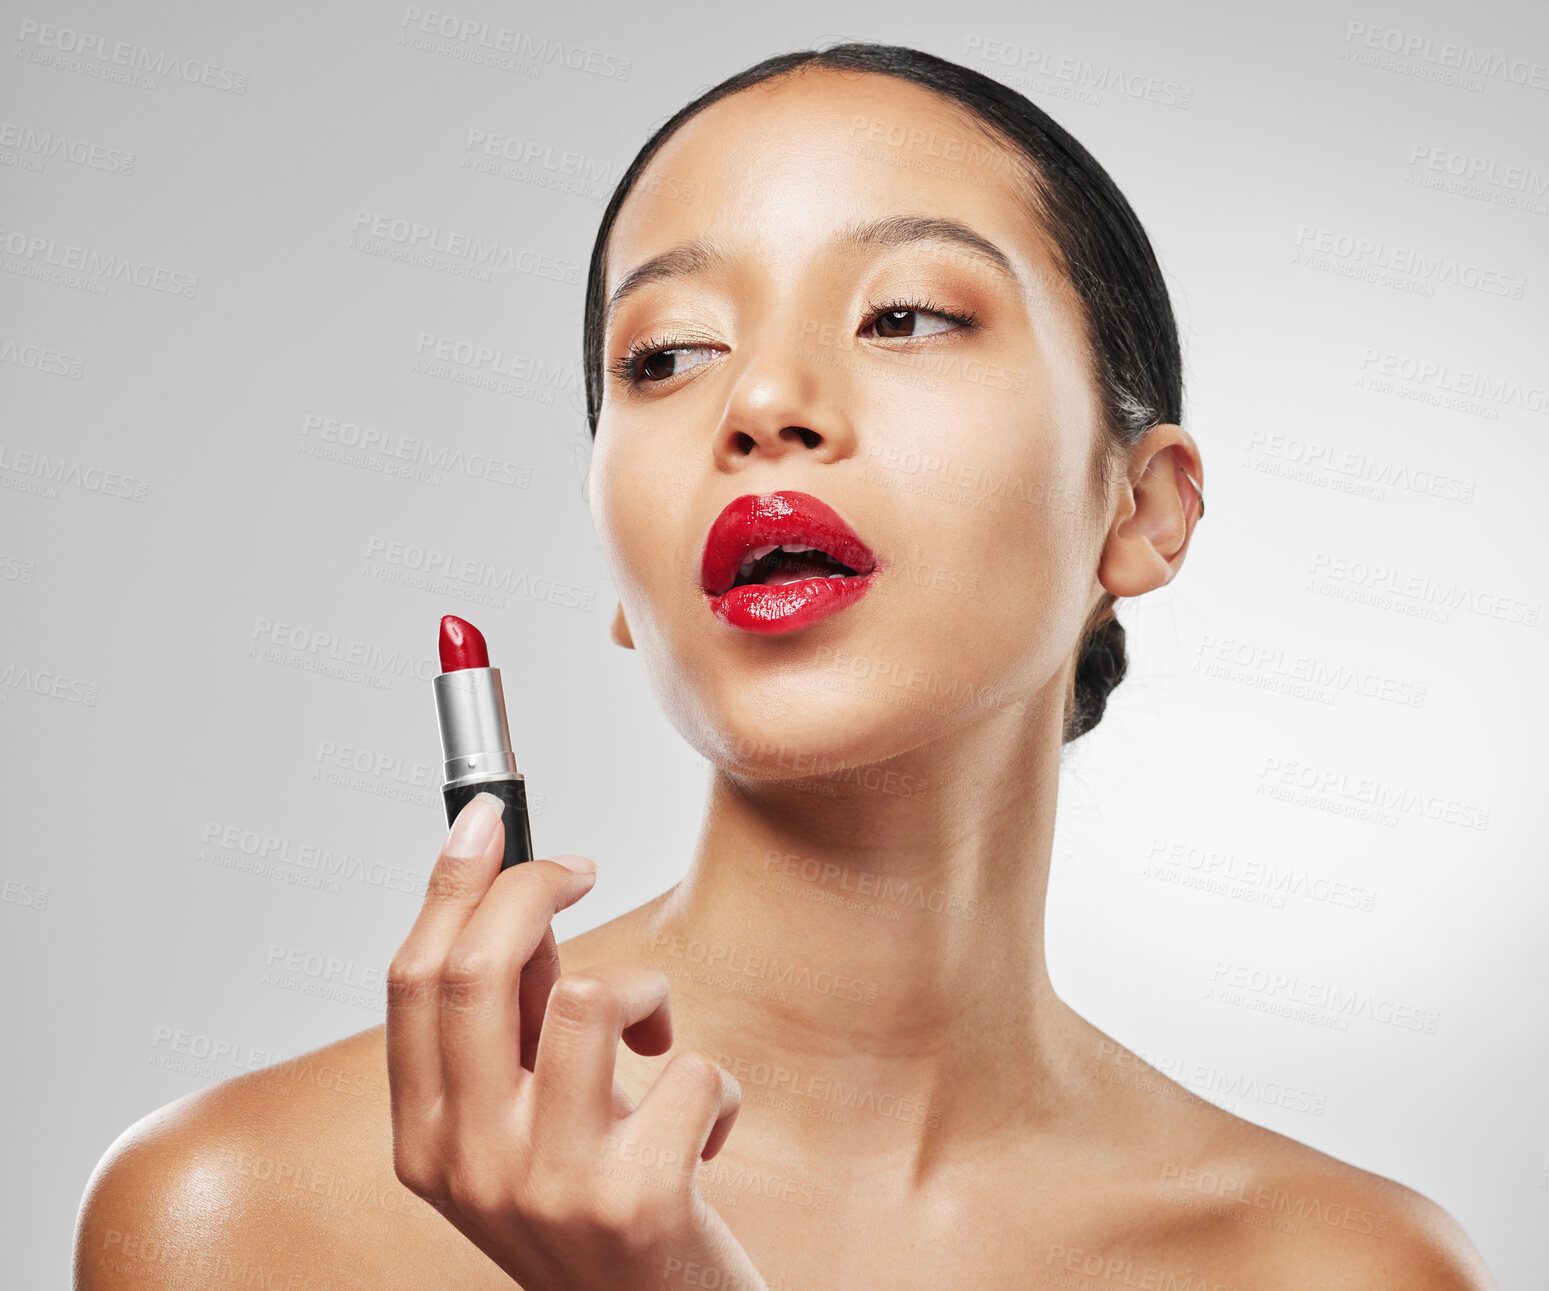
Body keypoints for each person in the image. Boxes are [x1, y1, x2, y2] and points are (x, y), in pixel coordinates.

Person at [74, 43, 1497, 1290]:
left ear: (1140, 508)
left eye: (906, 316)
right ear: (623, 573)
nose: (758, 403)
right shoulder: (241, 1216)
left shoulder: (1342, 1268)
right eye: (665, 356)